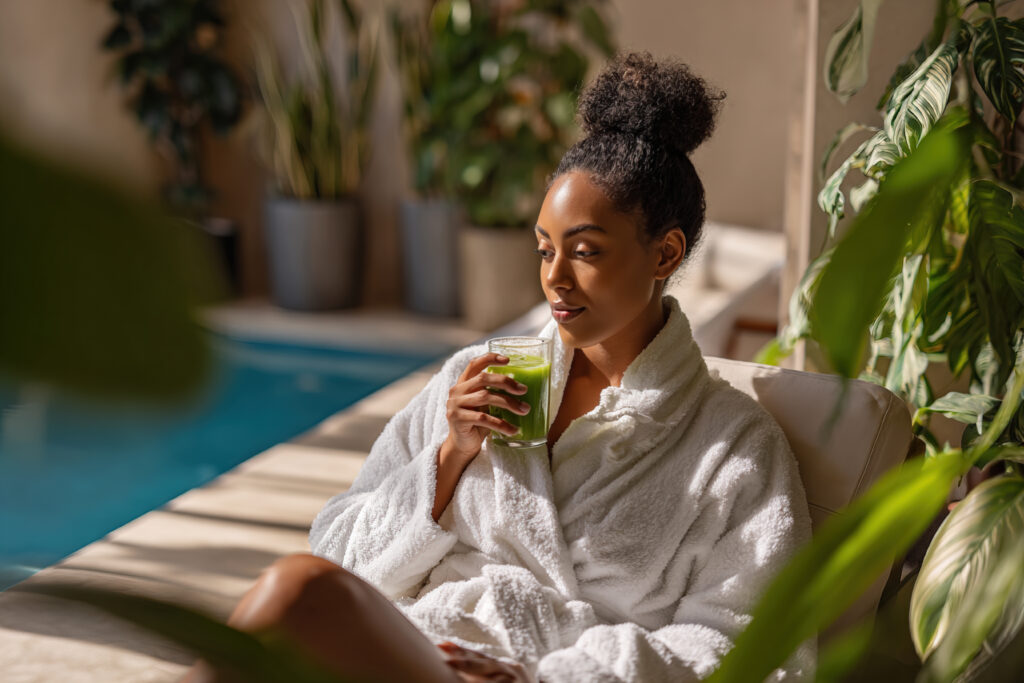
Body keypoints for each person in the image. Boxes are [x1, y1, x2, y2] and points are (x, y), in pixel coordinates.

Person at [182, 51, 814, 683]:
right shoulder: (473, 378)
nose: (555, 279)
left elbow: (753, 650)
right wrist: (448, 459)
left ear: (665, 253)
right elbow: (342, 549)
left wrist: (546, 675)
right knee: (298, 597)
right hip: (416, 653)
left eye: (585, 251)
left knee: (297, 592)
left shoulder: (733, 448)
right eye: (544, 250)